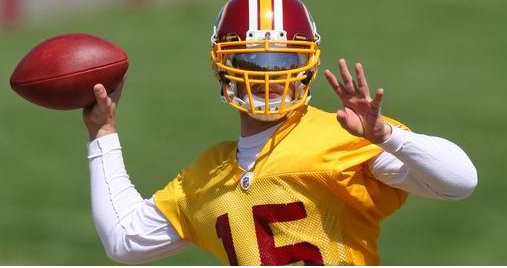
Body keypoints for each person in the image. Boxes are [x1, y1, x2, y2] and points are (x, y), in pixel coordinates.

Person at [83, 0, 477, 265]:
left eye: (283, 60)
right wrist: (102, 132)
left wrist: (386, 135)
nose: (269, 74)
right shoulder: (207, 174)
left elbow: (460, 182)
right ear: (222, 67)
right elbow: (124, 239)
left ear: (307, 64)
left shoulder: (343, 137)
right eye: (253, 60)